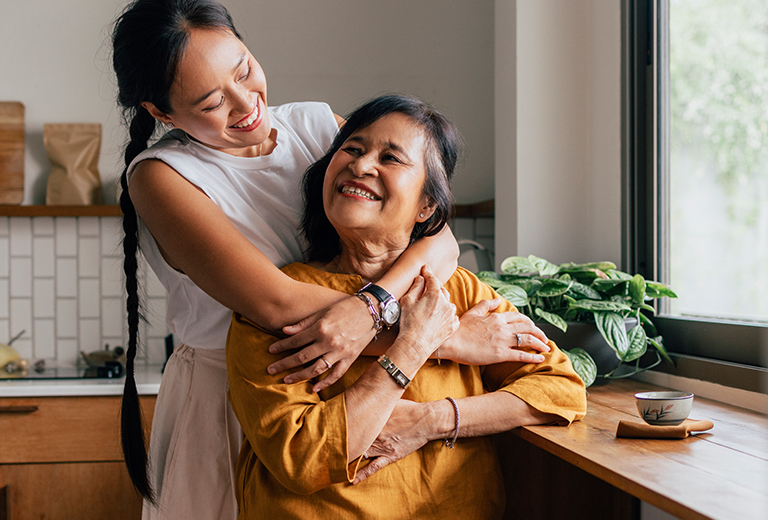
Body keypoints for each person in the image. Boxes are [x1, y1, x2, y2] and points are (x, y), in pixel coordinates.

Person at [111, 1, 552, 519]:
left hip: (347, 382)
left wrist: (372, 307)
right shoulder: (161, 176)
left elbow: (438, 236)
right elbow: (276, 303)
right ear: (161, 112)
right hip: (240, 393)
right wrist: (444, 338)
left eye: (245, 70)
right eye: (212, 104)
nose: (245, 104)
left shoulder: (316, 125)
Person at [226, 94, 588, 519]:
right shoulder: (277, 302)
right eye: (353, 149)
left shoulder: (457, 289)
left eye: (392, 158)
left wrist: (433, 421)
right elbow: (302, 459)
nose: (361, 166)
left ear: (426, 206)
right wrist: (413, 345)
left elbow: (561, 390)